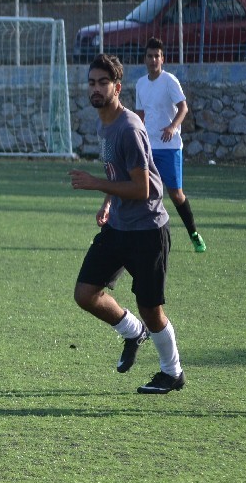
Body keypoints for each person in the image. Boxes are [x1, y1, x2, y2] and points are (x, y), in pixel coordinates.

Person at [69, 53, 185, 394]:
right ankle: (133, 332)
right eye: (92, 83)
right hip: (119, 226)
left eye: (103, 83)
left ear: (117, 88)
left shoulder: (129, 128)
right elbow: (116, 174)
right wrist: (107, 202)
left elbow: (142, 188)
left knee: (151, 309)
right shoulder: (103, 123)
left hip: (147, 231)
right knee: (85, 293)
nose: (96, 88)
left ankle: (172, 372)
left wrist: (96, 185)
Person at [134, 37, 205, 252]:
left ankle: (193, 234)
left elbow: (183, 107)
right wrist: (137, 137)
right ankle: (142, 238)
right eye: (150, 56)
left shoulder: (169, 81)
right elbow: (140, 114)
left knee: (175, 194)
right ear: (145, 59)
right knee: (144, 193)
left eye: (157, 56)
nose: (153, 59)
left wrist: (173, 127)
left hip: (169, 148)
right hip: (148, 148)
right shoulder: (140, 84)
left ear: (162, 59)